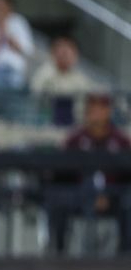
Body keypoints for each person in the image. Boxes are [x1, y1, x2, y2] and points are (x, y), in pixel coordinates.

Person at [45, 93, 131, 254]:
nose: (96, 113)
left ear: (108, 111)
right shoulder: (75, 140)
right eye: (92, 109)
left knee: (129, 201)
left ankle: (125, 257)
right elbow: (61, 174)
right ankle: (59, 254)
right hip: (80, 194)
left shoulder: (121, 140)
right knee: (58, 198)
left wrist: (106, 194)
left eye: (101, 108)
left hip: (114, 196)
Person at [30, 37, 95, 126]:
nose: (66, 55)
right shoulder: (44, 74)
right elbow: (37, 99)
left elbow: (88, 101)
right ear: (53, 53)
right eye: (63, 52)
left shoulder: (80, 78)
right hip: (48, 124)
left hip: (76, 124)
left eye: (70, 52)